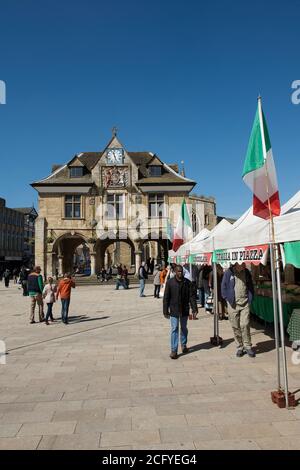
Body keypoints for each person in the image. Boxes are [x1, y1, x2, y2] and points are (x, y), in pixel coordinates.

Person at [163, 264, 198, 359]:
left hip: (184, 309)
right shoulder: (170, 283)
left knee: (183, 328)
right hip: (174, 309)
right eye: (178, 271)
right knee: (174, 328)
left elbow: (192, 296)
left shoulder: (187, 282)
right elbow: (166, 297)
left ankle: (183, 344)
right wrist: (165, 310)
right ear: (174, 272)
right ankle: (174, 350)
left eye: (181, 271)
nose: (180, 273)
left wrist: (194, 308)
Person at [221, 262, 255, 357]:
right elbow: (223, 286)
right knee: (235, 326)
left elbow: (250, 285)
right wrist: (227, 298)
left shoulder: (247, 272)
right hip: (233, 304)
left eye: (245, 263)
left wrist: (250, 298)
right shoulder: (229, 272)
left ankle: (248, 346)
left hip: (245, 303)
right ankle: (240, 346)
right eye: (242, 264)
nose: (245, 265)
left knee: (245, 324)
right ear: (237, 264)